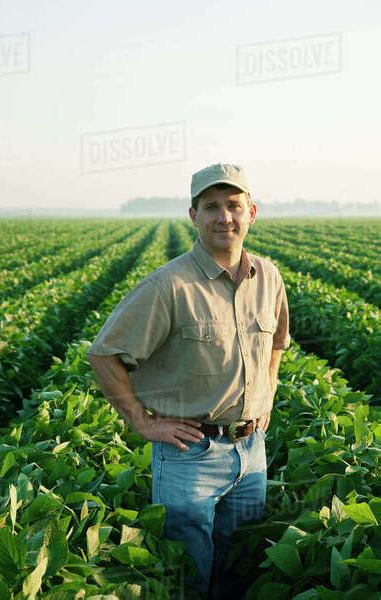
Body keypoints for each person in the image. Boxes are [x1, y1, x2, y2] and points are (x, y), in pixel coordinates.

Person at [87, 163, 290, 600]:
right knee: (189, 576)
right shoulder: (167, 286)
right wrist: (143, 423)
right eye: (211, 206)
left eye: (234, 206)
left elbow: (277, 342)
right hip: (189, 457)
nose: (224, 217)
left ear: (252, 212)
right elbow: (103, 355)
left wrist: (267, 391)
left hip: (252, 451)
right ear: (193, 215)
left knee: (240, 570)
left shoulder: (269, 278)